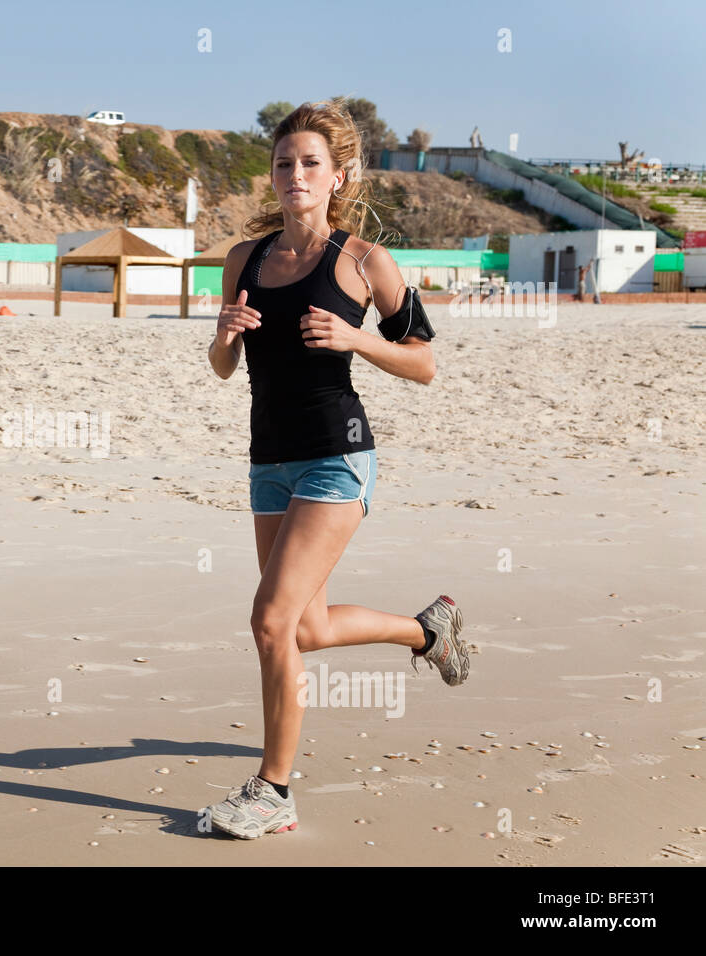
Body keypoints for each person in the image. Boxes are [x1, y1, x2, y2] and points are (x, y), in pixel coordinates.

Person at [201, 99, 470, 840]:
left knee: (269, 620)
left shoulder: (363, 262)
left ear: (337, 177)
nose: (295, 175)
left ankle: (272, 791)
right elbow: (225, 368)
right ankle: (427, 633)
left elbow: (423, 364)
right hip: (268, 463)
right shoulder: (245, 260)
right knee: (306, 626)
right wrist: (223, 337)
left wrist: (358, 339)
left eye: (310, 163)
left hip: (337, 458)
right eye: (285, 163)